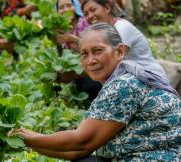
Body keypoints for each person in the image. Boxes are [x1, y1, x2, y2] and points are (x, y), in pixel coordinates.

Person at [14, 23, 180, 161]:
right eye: (84, 54)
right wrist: (27, 143)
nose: (91, 60)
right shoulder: (120, 79)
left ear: (120, 51)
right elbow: (79, 151)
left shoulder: (125, 85)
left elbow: (81, 141)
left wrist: (30, 137)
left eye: (98, 51)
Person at [81, 0, 169, 82]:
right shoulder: (105, 33)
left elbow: (112, 63)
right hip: (132, 78)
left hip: (150, 79)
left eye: (93, 10)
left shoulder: (122, 28)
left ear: (107, 8)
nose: (90, 16)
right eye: (86, 14)